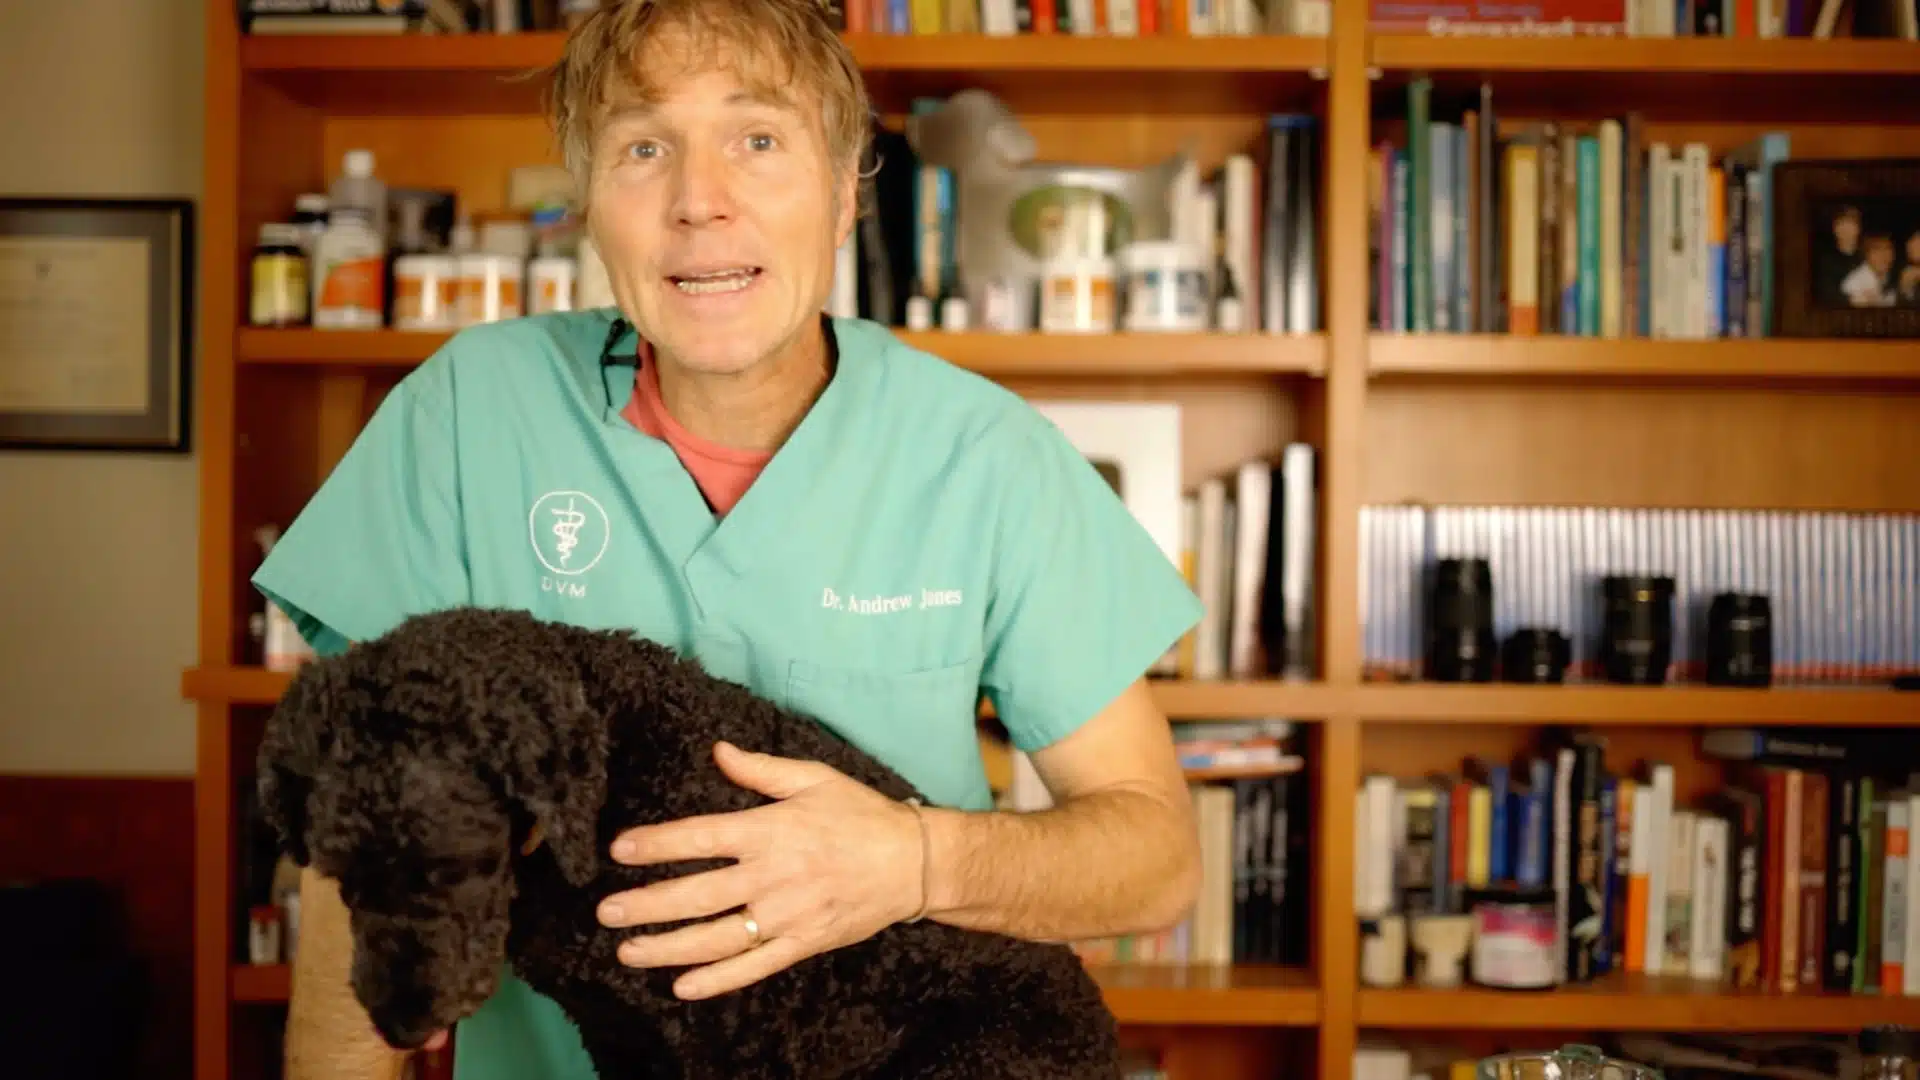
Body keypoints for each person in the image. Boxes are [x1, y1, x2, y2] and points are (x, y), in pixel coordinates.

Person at [252, 1, 1204, 1077]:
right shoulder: (467, 415)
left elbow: (1154, 856)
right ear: (588, 202)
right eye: (644, 148)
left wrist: (914, 861)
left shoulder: (987, 457)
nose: (700, 203)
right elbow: (360, 871)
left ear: (847, 191)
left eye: (758, 140)